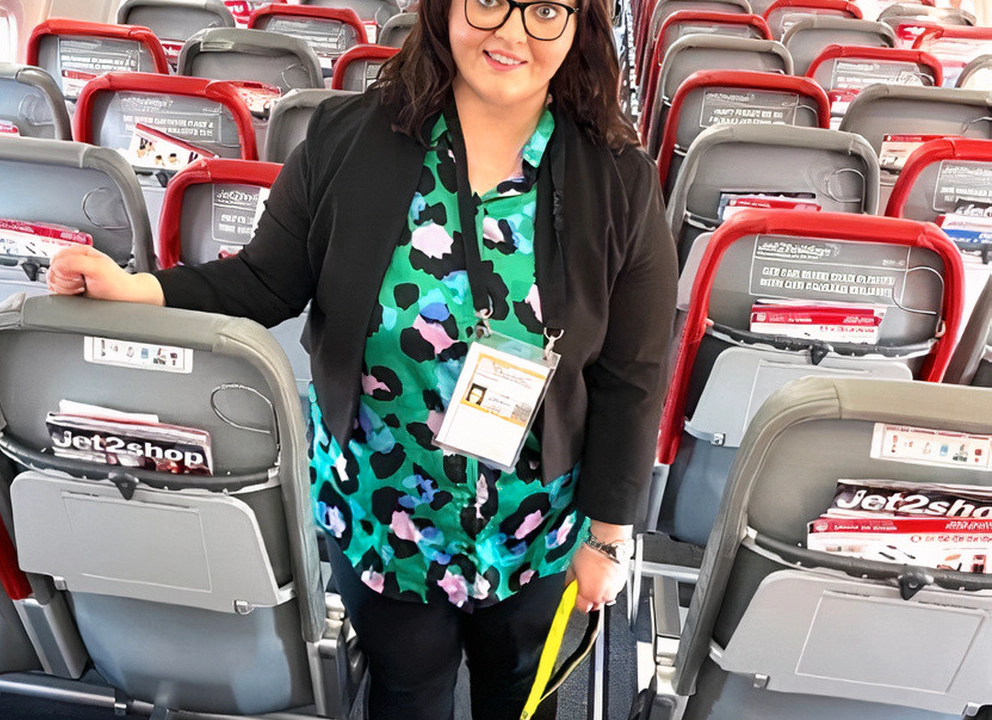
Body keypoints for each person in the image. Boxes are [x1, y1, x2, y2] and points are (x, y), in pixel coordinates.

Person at [47, 0, 677, 714]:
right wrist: (140, 289)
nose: (511, 31)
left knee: (516, 694)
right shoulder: (350, 139)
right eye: (490, 2)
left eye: (543, 9)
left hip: (532, 525)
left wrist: (609, 535)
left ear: (578, 25)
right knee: (405, 693)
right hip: (381, 509)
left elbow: (632, 372)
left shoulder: (617, 179)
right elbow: (264, 279)